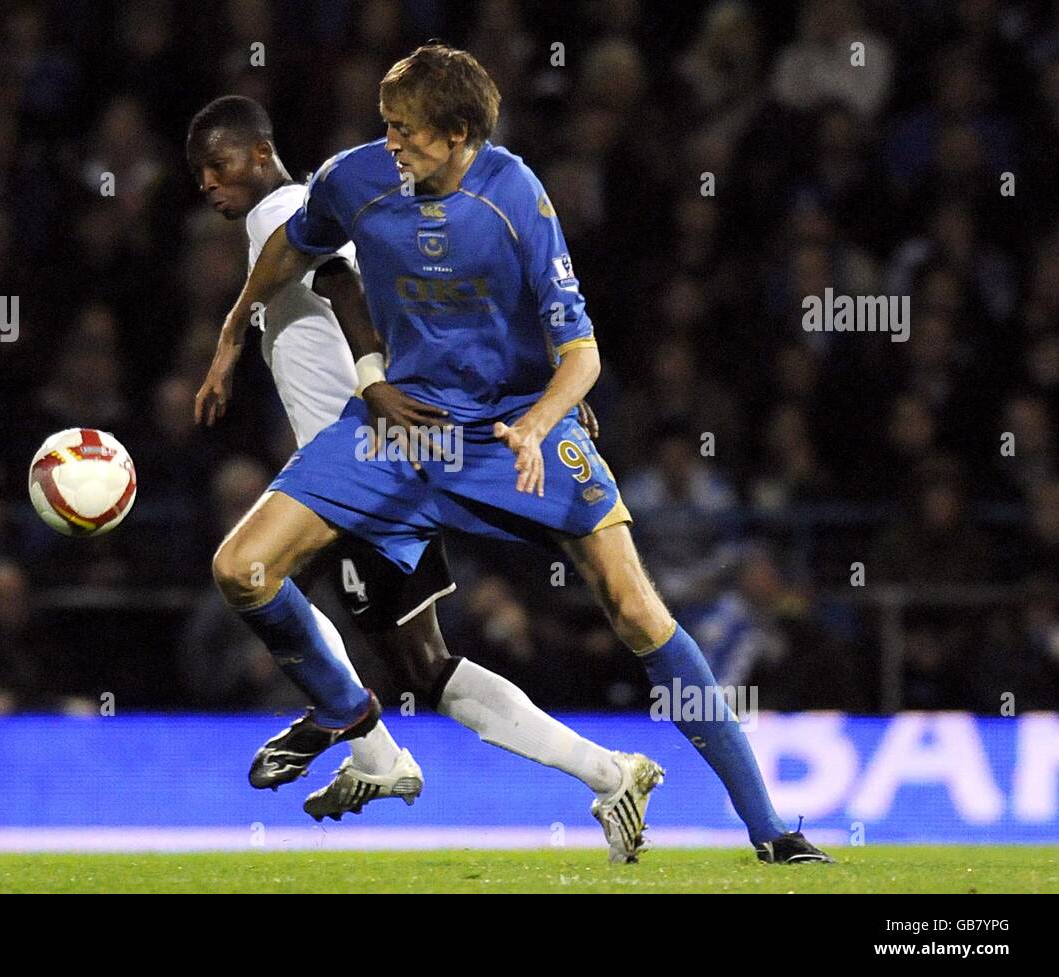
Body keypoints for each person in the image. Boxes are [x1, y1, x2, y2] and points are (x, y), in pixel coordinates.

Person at [197, 47, 835, 864]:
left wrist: (538, 425)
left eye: (409, 133)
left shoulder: (517, 197)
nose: (392, 145)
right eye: (387, 126)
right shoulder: (354, 179)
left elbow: (583, 355)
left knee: (638, 611)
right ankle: (348, 716)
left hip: (508, 430)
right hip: (402, 433)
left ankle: (771, 830)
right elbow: (294, 248)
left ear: (460, 134)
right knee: (241, 567)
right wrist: (228, 333)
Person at [189, 95, 658, 860]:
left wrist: (368, 381)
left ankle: (352, 725)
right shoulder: (285, 210)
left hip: (364, 461)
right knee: (423, 664)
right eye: (198, 173)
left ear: (260, 151)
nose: (207, 181)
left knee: (251, 570)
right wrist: (235, 333)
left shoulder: (280, 206)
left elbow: (342, 281)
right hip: (362, 465)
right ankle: (587, 771)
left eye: (219, 163)